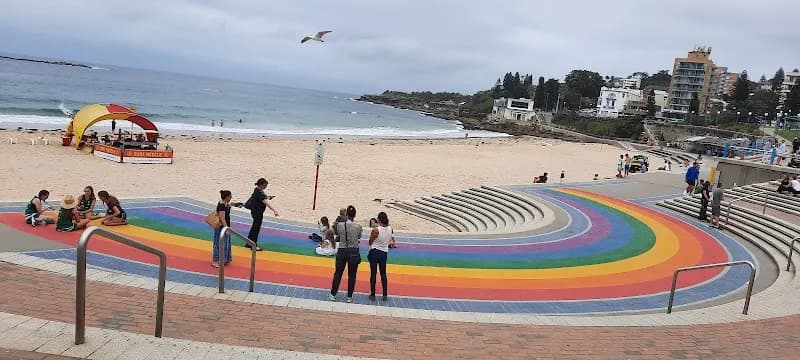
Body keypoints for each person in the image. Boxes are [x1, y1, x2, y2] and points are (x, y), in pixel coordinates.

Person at [329, 205, 363, 303]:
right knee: (352, 275)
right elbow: (359, 236)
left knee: (338, 273)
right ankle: (349, 296)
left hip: (342, 250)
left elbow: (337, 233)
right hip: (353, 251)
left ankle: (333, 294)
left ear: (347, 214)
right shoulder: (358, 226)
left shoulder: (340, 225)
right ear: (355, 215)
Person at [246, 178, 279, 251]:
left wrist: (268, 197)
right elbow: (265, 203)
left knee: (254, 227)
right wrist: (274, 211)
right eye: (265, 185)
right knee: (256, 229)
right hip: (258, 213)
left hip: (255, 211)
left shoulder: (257, 190)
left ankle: (248, 242)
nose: (266, 187)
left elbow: (262, 198)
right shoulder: (259, 192)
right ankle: (254, 245)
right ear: (261, 185)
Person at [368, 212, 393, 301]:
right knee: (383, 273)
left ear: (379, 220)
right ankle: (385, 294)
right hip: (384, 252)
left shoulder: (376, 230)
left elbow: (370, 241)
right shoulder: (390, 228)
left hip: (375, 251)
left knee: (373, 273)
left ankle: (373, 294)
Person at [212, 190, 233, 268]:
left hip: (224, 227)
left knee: (225, 243)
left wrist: (230, 206)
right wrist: (226, 228)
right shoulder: (222, 206)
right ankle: (216, 260)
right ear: (227, 197)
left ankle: (224, 259)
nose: (231, 197)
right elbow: (222, 218)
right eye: (230, 196)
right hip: (221, 228)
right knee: (219, 244)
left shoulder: (224, 204)